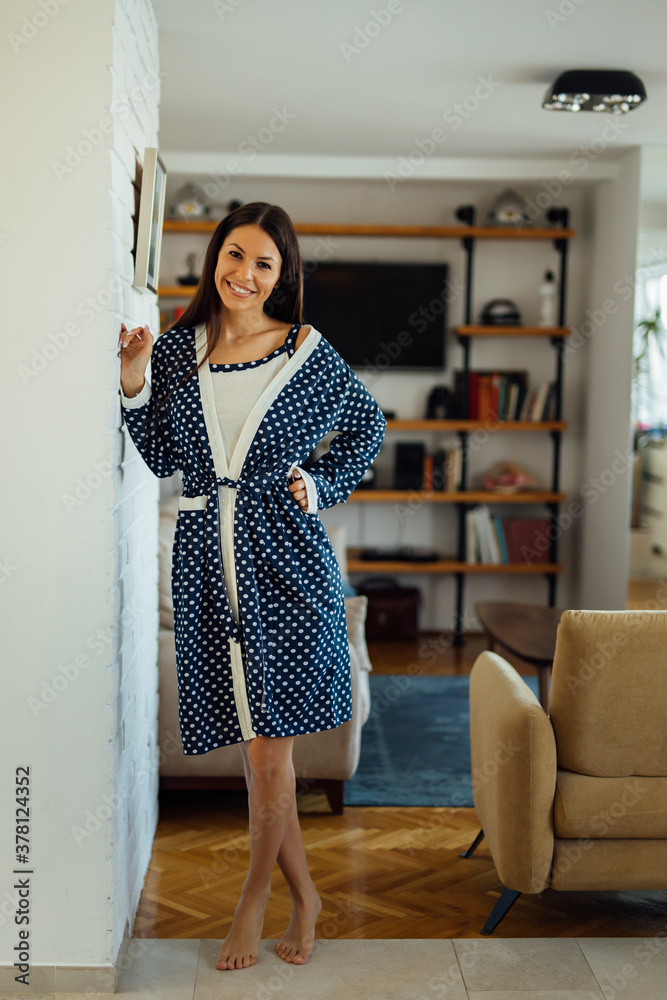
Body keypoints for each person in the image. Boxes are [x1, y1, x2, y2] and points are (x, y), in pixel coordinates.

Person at [118, 202, 386, 971]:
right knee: (258, 758)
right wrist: (133, 384)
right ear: (215, 258)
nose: (244, 274)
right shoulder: (176, 353)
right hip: (206, 559)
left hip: (288, 560)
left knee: (270, 755)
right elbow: (162, 455)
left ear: (283, 276)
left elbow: (366, 426)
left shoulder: (304, 350)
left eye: (263, 263)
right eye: (235, 255)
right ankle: (307, 895)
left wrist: (321, 482)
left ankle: (254, 902)